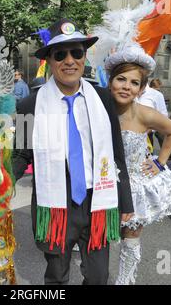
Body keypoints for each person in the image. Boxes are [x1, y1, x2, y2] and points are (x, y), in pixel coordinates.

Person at [12, 18, 134, 285]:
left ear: (84, 57)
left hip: (98, 200)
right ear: (50, 61)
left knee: (99, 277)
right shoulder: (29, 104)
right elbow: (21, 154)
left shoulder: (103, 98)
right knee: (56, 275)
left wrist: (126, 201)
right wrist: (2, 182)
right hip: (55, 204)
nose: (69, 60)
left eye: (76, 52)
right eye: (60, 54)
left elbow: (116, 153)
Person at [92, 2, 171, 285]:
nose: (126, 86)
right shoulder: (98, 109)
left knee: (130, 243)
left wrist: (160, 162)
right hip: (103, 185)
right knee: (98, 242)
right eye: (121, 79)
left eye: (133, 82)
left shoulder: (145, 114)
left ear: (142, 89)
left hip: (137, 185)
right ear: (110, 80)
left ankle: (125, 282)